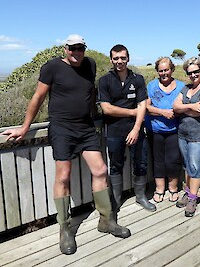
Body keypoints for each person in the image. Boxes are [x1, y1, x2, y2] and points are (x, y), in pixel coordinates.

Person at [0, 34, 130, 255]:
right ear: (65, 48)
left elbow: (89, 93)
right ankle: (65, 229)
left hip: (86, 127)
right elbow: (38, 97)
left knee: (100, 170)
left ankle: (106, 220)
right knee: (63, 177)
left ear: (84, 49)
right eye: (72, 48)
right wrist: (24, 127)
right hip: (62, 128)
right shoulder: (51, 67)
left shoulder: (90, 63)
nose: (76, 52)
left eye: (80, 48)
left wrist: (93, 113)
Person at [98, 44, 156, 218]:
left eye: (123, 58)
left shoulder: (137, 79)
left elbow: (142, 105)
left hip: (136, 129)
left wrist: (137, 128)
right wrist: (131, 112)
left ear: (128, 58)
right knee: (115, 165)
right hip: (114, 130)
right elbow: (106, 109)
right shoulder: (104, 81)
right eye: (116, 58)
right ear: (111, 60)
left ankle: (140, 196)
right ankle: (115, 201)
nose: (119, 61)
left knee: (141, 162)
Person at [173, 57, 200, 217]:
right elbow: (175, 106)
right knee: (188, 166)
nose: (193, 75)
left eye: (196, 71)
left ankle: (193, 199)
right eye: (190, 73)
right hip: (183, 133)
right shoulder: (185, 88)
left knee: (195, 168)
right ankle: (188, 193)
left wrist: (184, 108)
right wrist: (190, 106)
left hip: (198, 135)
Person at [145, 57, 185, 203]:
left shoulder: (181, 86)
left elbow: (184, 105)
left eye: (166, 70)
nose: (164, 73)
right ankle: (159, 189)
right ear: (157, 71)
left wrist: (177, 111)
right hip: (155, 130)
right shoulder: (151, 86)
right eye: (161, 70)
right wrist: (163, 112)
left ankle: (173, 188)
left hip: (174, 130)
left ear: (172, 69)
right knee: (158, 160)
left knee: (173, 160)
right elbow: (146, 107)